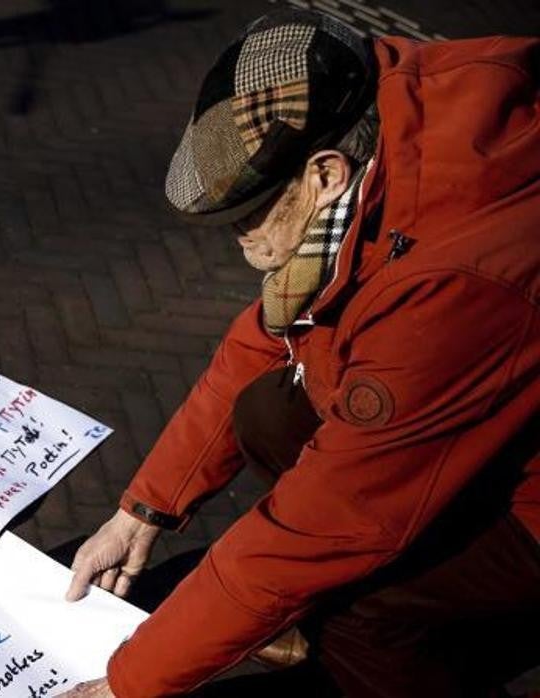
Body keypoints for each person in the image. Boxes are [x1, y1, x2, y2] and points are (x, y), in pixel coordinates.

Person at [57, 8, 540, 697]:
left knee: (351, 600)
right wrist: (144, 510)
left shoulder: (451, 288)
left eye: (249, 216)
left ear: (325, 173)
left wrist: (129, 683)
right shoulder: (381, 103)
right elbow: (266, 337)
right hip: (478, 410)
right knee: (268, 410)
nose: (238, 239)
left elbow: (326, 526)